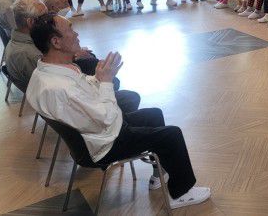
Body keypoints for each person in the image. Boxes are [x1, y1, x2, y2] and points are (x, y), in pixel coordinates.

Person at [26, 14, 210, 209]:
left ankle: (159, 175)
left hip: (94, 133)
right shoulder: (60, 88)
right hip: (103, 145)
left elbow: (84, 96)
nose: (76, 34)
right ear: (56, 42)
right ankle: (180, 193)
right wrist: (106, 81)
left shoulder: (47, 70)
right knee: (172, 135)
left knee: (154, 114)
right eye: (70, 29)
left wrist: (98, 77)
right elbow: (107, 117)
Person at [7, 0, 140, 111]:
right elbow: (62, 89)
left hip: (71, 96)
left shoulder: (23, 41)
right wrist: (101, 81)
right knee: (126, 93)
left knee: (93, 61)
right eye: (44, 17)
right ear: (31, 22)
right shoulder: (29, 54)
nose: (50, 18)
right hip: (75, 104)